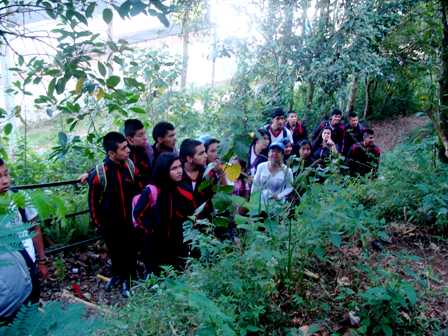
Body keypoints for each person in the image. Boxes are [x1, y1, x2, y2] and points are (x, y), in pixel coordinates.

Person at [88, 132, 140, 298]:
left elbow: (139, 190)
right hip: (110, 224)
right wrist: (98, 223)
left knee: (130, 250)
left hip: (130, 222)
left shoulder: (130, 167)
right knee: (115, 251)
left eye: (127, 146)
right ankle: (118, 276)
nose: (128, 150)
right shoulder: (99, 175)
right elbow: (92, 201)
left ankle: (129, 280)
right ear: (111, 153)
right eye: (123, 148)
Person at [0, 158, 48, 315]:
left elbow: (34, 228)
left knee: (32, 304)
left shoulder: (19, 197)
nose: (5, 181)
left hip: (29, 263)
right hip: (6, 271)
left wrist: (41, 261)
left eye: (6, 174)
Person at [133, 153, 188, 275]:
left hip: (174, 240)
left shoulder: (177, 187)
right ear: (164, 170)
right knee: (158, 275)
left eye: (180, 166)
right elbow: (138, 214)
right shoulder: (153, 190)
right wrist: (151, 229)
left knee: (175, 272)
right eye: (174, 168)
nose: (179, 171)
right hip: (156, 243)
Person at [251, 142, 294, 208]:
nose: (275, 154)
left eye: (278, 152)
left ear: (282, 155)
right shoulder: (261, 166)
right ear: (268, 153)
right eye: (272, 151)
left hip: (278, 205)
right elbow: (255, 184)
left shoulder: (287, 170)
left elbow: (290, 187)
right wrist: (253, 201)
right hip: (261, 204)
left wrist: (279, 196)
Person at [178, 139, 212, 219]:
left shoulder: (208, 174)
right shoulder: (177, 176)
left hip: (207, 224)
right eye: (201, 153)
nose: (206, 156)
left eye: (205, 152)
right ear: (189, 158)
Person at [124, 119, 154, 187]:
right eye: (140, 135)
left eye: (144, 133)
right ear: (130, 139)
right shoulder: (123, 155)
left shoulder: (147, 149)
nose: (145, 138)